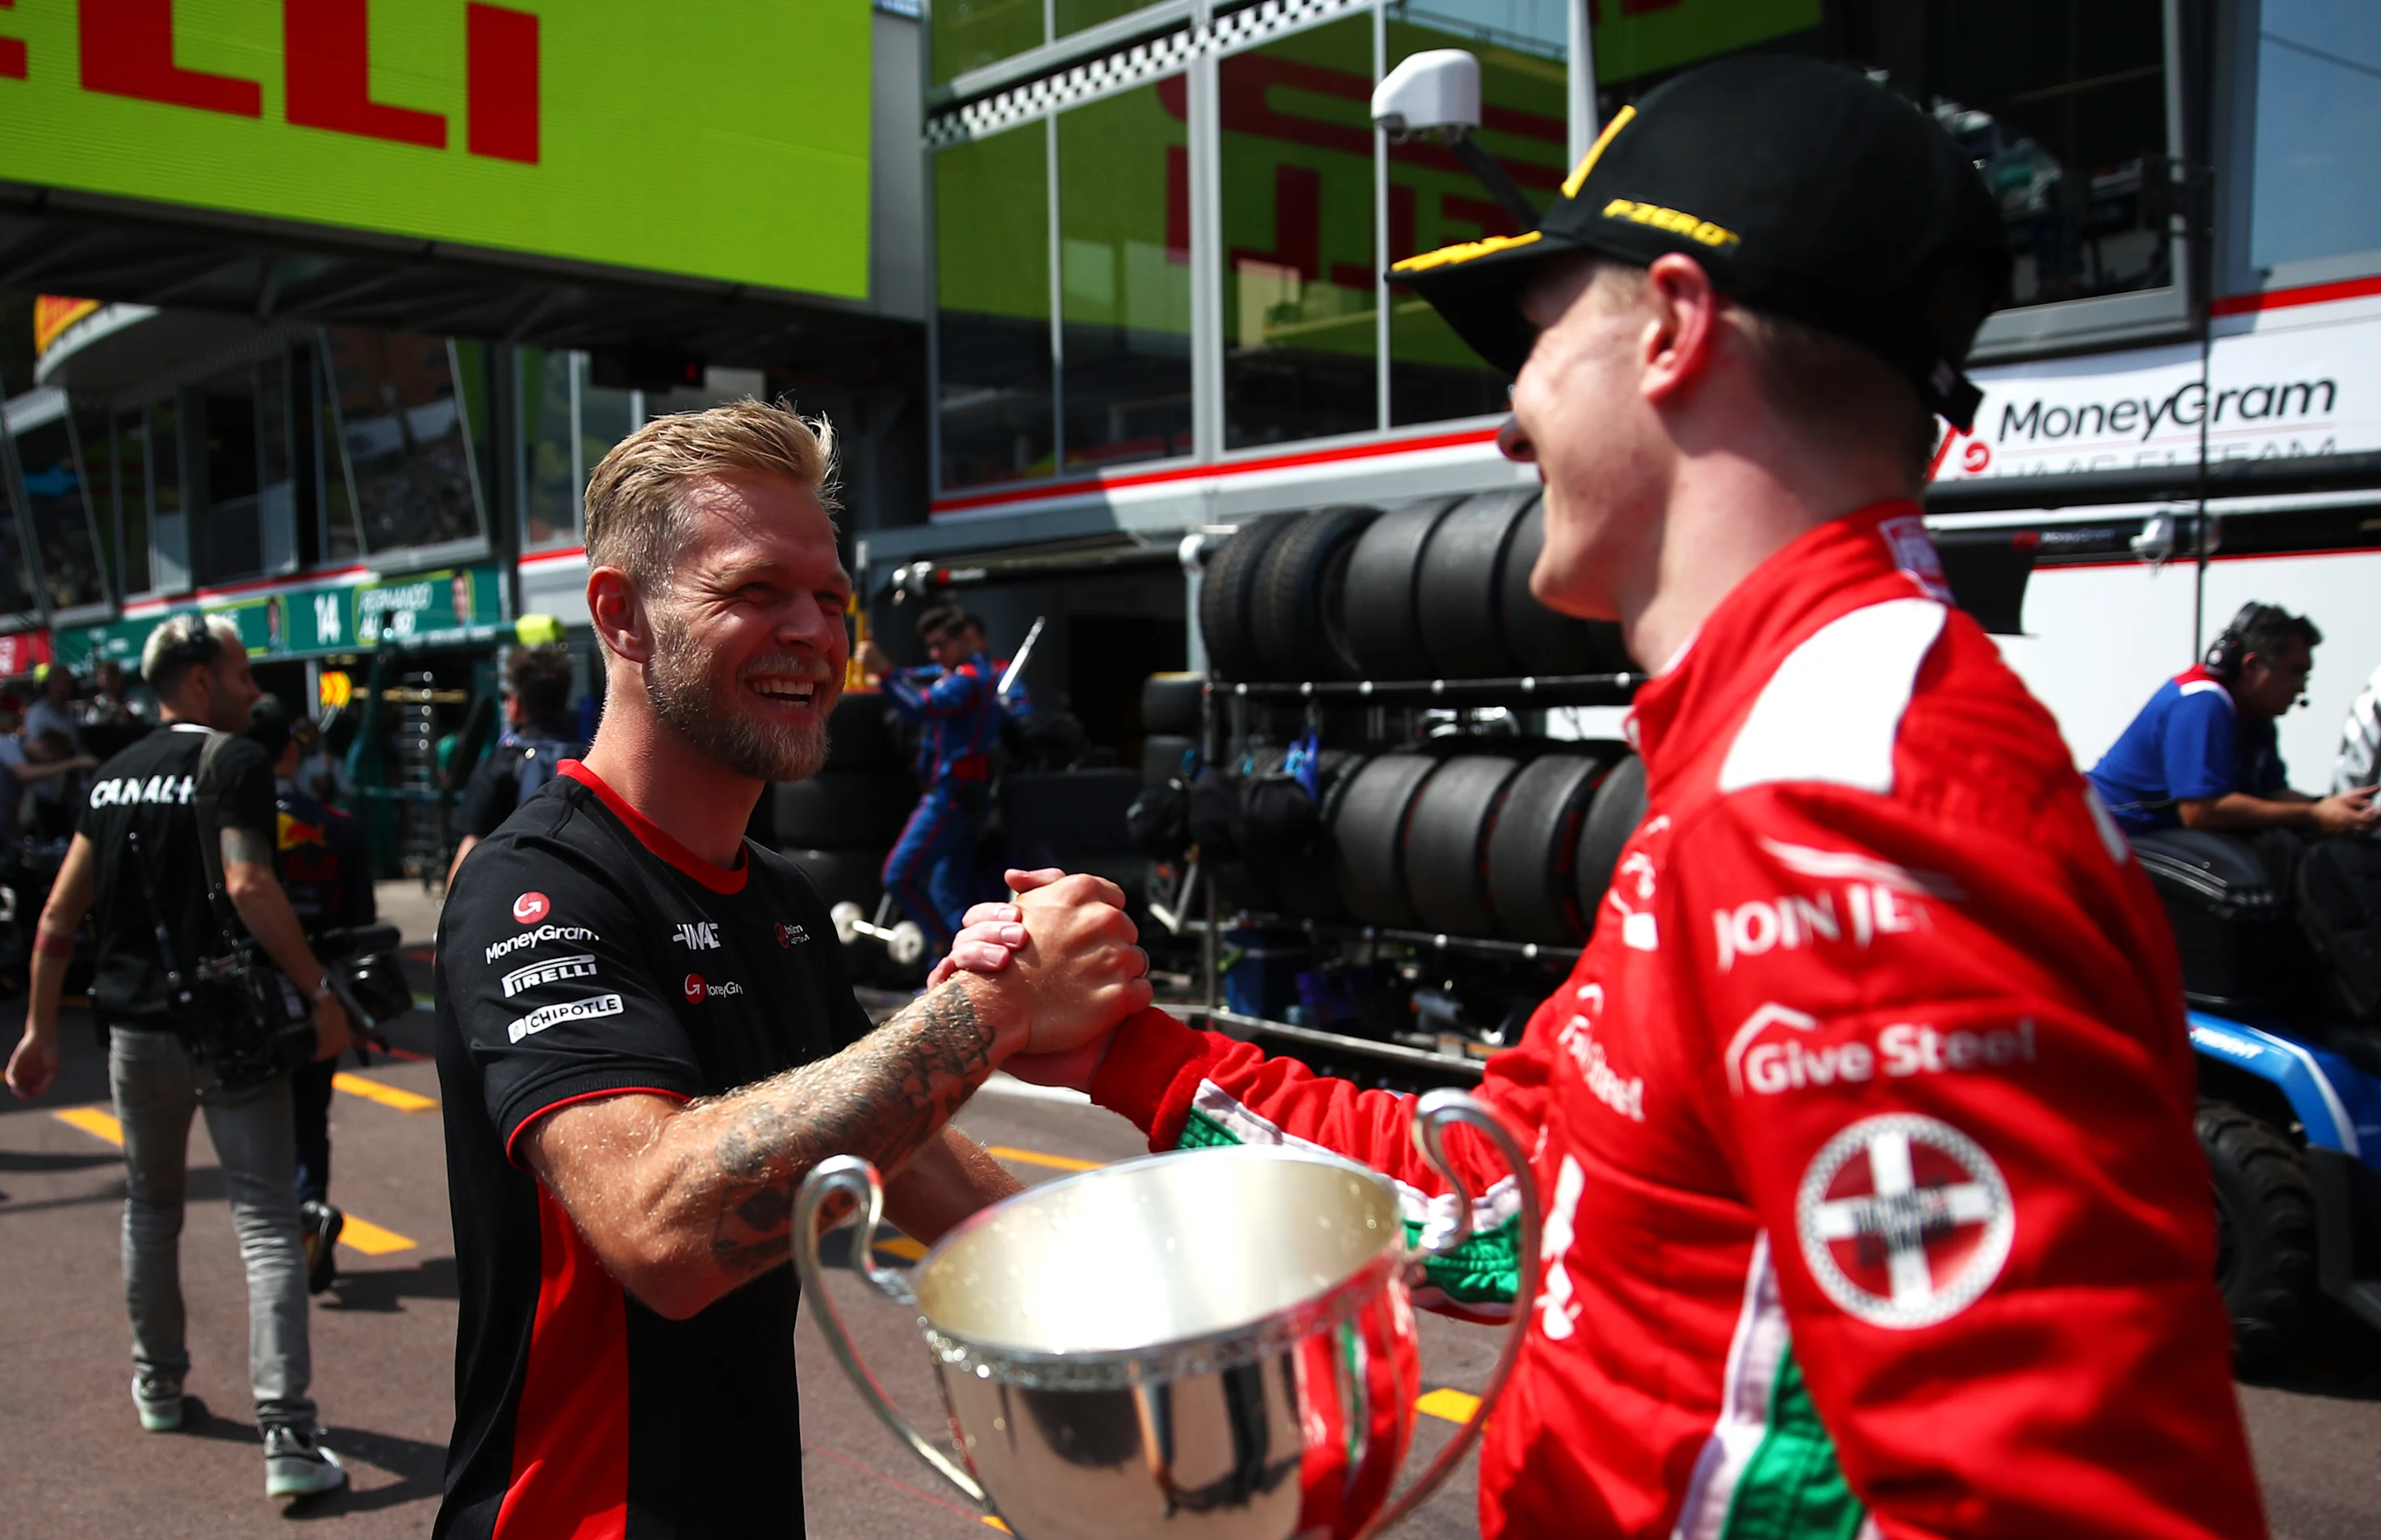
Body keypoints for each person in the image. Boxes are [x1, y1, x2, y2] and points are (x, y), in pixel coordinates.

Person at [946, 56, 2268, 1539]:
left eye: (1534, 334)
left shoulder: (1844, 803)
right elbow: (1501, 1201)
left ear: (1674, 332)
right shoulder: (1772, 758)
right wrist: (1127, 1050)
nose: (1508, 417)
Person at [429, 402, 1149, 1540]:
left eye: (830, 598)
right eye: (756, 590)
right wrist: (994, 1008)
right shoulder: (540, 886)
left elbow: (909, 1158)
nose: (815, 632)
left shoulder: (780, 898)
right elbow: (661, 1235)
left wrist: (1156, 1306)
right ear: (622, 614)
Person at [1, 613, 356, 1500]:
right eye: (240, 673)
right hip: (227, 1031)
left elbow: (56, 916)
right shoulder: (232, 761)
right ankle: (287, 1436)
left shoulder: (113, 776)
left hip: (131, 1034)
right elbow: (247, 882)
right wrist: (319, 994)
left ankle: (158, 1384)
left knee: (150, 1210)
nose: (253, 689)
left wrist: (40, 1028)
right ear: (199, 681)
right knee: (267, 1224)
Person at [248, 697, 377, 1296]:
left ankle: (282, 1238)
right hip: (320, 992)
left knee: (254, 1125)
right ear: (291, 750)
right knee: (309, 1123)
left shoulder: (229, 829)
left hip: (251, 999)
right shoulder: (339, 828)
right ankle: (308, 1221)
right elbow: (359, 928)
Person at [2090, 603, 2380, 837]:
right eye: (2296, 671)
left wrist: (2331, 806)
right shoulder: (2202, 702)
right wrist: (2313, 816)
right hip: (2106, 837)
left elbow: (2272, 793)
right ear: (2252, 665)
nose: (2301, 686)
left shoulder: (2256, 713)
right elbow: (2201, 811)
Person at [866, 605, 1027, 952]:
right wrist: (894, 673)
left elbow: (918, 707)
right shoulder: (959, 673)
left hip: (951, 799)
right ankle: (957, 965)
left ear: (964, 640)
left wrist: (885, 674)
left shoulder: (968, 681)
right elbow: (920, 675)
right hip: (962, 797)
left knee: (899, 876)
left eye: (942, 645)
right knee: (949, 892)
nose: (936, 654)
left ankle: (940, 946)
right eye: (932, 646)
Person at [0, 725, 97, 997]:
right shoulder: (7, 746)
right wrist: (72, 763)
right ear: (47, 747)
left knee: (20, 896)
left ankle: (10, 966)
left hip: (0, 836)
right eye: (52, 759)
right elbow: (25, 775)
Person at [443, 642, 584, 886]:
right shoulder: (590, 760)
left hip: (516, 898)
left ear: (516, 703)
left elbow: (469, 851)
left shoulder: (500, 764)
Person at [26, 663, 87, 755]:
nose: (62, 688)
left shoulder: (69, 712)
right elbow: (36, 750)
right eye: (57, 683)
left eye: (66, 683)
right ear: (49, 685)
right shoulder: (38, 713)